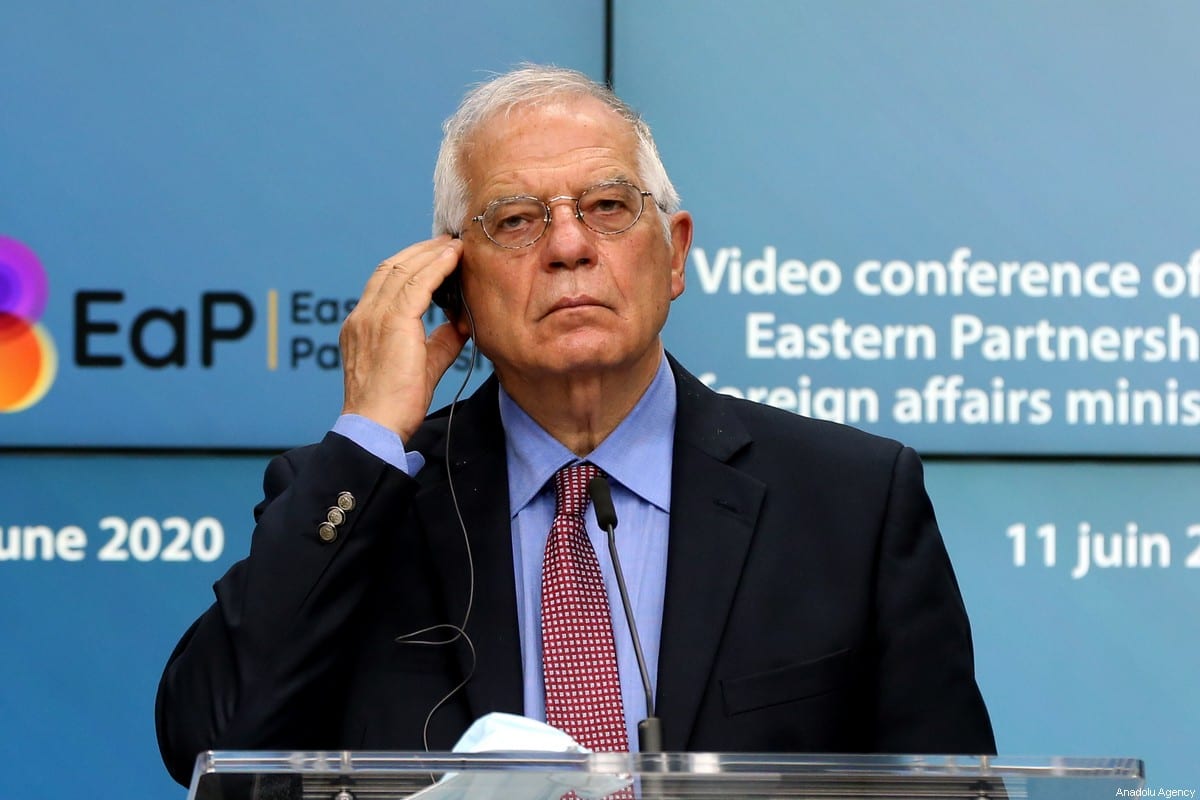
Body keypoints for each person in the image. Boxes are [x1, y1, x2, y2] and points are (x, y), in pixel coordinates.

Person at [155, 64, 995, 787]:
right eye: (516, 220)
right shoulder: (357, 501)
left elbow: (954, 793)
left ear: (675, 253)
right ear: (455, 283)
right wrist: (370, 434)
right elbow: (211, 745)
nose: (568, 246)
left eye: (606, 205)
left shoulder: (851, 501)